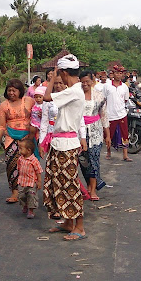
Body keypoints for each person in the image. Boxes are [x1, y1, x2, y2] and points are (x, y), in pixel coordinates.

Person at [42, 54, 87, 241]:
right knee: (58, 183)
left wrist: (51, 79)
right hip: (60, 143)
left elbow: (46, 97)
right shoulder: (75, 90)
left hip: (66, 145)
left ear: (63, 72)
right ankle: (68, 222)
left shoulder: (74, 91)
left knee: (69, 185)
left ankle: (80, 227)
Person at [0, 78, 35, 203]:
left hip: (28, 138)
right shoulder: (4, 105)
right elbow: (0, 126)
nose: (11, 93)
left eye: (14, 90)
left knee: (29, 166)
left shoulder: (28, 101)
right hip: (11, 138)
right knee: (12, 165)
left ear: (20, 91)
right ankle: (15, 192)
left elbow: (38, 114)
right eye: (9, 90)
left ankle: (30, 192)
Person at [79, 71, 108, 200]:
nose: (85, 84)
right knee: (84, 161)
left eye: (87, 81)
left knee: (94, 159)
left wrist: (107, 135)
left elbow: (104, 115)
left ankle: (93, 189)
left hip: (96, 132)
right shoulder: (76, 95)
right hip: (80, 132)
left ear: (92, 81)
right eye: (82, 81)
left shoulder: (99, 96)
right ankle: (89, 186)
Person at [104, 65, 132, 161]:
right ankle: (108, 152)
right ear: (113, 74)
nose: (118, 75)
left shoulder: (124, 87)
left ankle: (125, 155)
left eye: (120, 73)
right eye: (116, 73)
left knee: (124, 134)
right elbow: (103, 99)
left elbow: (125, 100)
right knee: (109, 135)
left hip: (121, 114)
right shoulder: (107, 86)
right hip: (110, 114)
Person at [16, 138, 42, 219]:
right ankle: (25, 205)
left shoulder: (34, 160)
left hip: (31, 183)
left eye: (21, 148)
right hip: (22, 182)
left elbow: (38, 171)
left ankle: (31, 210)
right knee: (21, 196)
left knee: (31, 196)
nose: (19, 150)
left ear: (28, 150)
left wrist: (39, 181)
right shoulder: (20, 159)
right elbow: (19, 169)